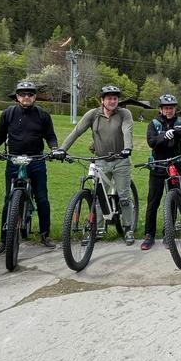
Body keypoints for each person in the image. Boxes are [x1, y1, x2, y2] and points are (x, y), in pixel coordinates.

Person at [53, 85, 135, 244]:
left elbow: (127, 131)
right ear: (102, 100)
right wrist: (62, 149)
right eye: (109, 98)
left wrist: (127, 148)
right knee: (98, 197)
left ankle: (128, 228)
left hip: (121, 160)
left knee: (124, 196)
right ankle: (97, 230)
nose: (112, 101)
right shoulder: (93, 115)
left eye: (115, 98)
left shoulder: (125, 114)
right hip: (101, 160)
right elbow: (76, 131)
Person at [0, 80, 60, 252]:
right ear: (17, 97)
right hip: (13, 160)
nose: (26, 97)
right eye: (23, 94)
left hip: (36, 160)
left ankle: (45, 234)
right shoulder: (8, 113)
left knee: (42, 198)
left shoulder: (43, 115)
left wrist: (55, 149)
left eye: (30, 94)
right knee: (8, 200)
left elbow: (51, 137)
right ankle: (4, 240)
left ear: (35, 97)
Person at [140, 94, 181, 250]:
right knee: (153, 202)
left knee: (173, 200)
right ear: (161, 109)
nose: (169, 111)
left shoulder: (179, 122)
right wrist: (164, 135)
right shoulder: (154, 123)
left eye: (171, 108)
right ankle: (149, 235)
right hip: (158, 166)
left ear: (174, 109)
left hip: (175, 166)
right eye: (166, 108)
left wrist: (180, 130)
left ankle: (167, 234)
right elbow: (151, 142)